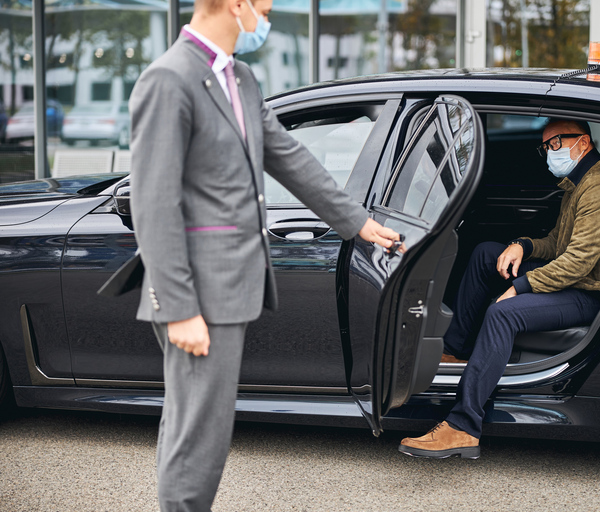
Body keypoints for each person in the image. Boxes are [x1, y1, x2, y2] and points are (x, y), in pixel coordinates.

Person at [128, 0, 400, 509]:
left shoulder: (241, 78)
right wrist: (179, 305)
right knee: (199, 436)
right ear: (236, 5)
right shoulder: (169, 79)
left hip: (229, 286)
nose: (267, 20)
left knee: (195, 426)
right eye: (266, 8)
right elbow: (153, 201)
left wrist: (357, 222)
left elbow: (289, 157)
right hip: (197, 294)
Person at [398, 119, 600, 459]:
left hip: (592, 292)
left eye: (555, 143)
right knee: (487, 253)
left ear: (583, 142)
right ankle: (456, 349)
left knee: (502, 313)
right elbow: (559, 243)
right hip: (578, 277)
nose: (548, 153)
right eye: (545, 146)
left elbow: (578, 263)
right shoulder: (580, 181)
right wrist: (523, 246)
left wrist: (522, 286)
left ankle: (463, 426)